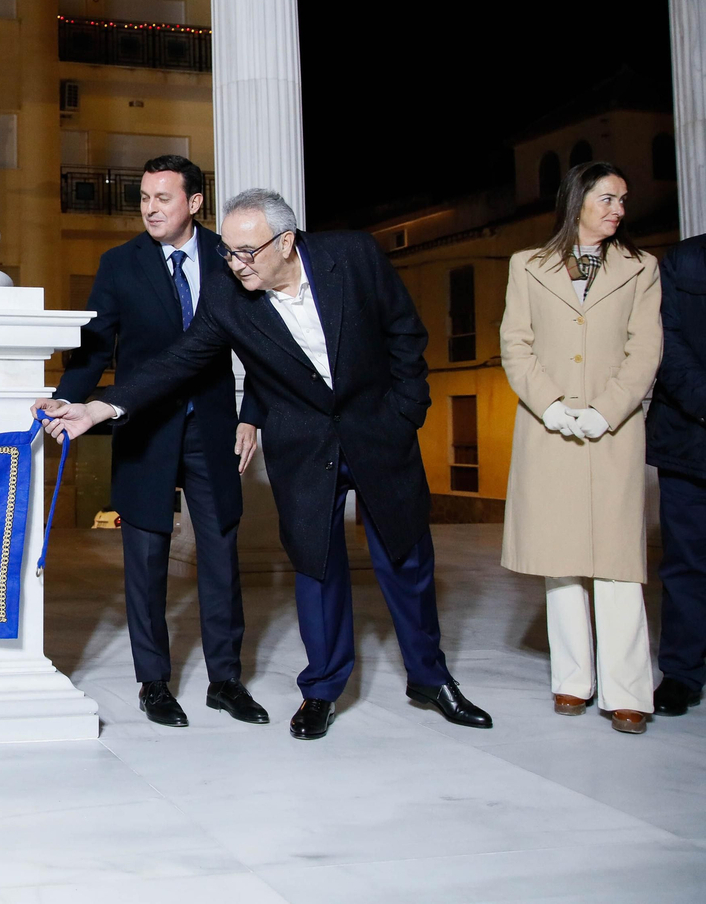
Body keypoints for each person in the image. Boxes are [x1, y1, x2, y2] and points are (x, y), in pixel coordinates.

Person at [36, 188, 493, 740]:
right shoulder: (230, 299)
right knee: (317, 569)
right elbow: (176, 364)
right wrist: (99, 407)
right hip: (304, 450)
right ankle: (322, 690)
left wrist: (405, 413)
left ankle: (430, 678)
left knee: (407, 561)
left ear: (286, 242)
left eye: (246, 252)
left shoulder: (352, 257)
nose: (233, 263)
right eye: (227, 251)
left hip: (380, 435)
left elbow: (404, 333)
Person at [53, 155, 266, 727]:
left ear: (194, 203)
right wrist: (69, 399)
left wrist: (252, 414)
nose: (150, 208)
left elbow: (265, 343)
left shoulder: (231, 258)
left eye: (162, 198)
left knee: (220, 556)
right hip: (145, 427)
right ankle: (154, 683)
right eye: (144, 197)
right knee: (144, 561)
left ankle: (226, 680)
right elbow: (95, 348)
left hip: (213, 427)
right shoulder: (119, 265)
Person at [501, 162, 661, 733]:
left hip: (613, 432)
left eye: (623, 200)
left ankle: (628, 692)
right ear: (578, 200)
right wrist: (553, 407)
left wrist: (605, 411)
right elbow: (515, 345)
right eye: (607, 198)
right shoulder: (527, 265)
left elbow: (646, 351)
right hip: (547, 431)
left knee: (619, 563)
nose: (618, 209)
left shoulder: (642, 268)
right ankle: (572, 683)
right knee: (560, 561)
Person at [649, 231, 706, 717]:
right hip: (690, 442)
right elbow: (666, 342)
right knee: (686, 564)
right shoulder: (684, 261)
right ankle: (682, 673)